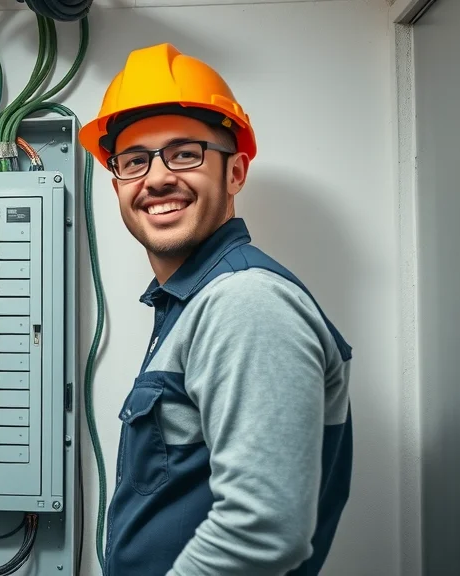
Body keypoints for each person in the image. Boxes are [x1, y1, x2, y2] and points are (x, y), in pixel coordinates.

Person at [78, 43, 353, 575]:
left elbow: (262, 530)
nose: (156, 178)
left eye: (185, 153)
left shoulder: (245, 301)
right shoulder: (194, 303)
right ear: (117, 187)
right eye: (135, 161)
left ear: (235, 173)